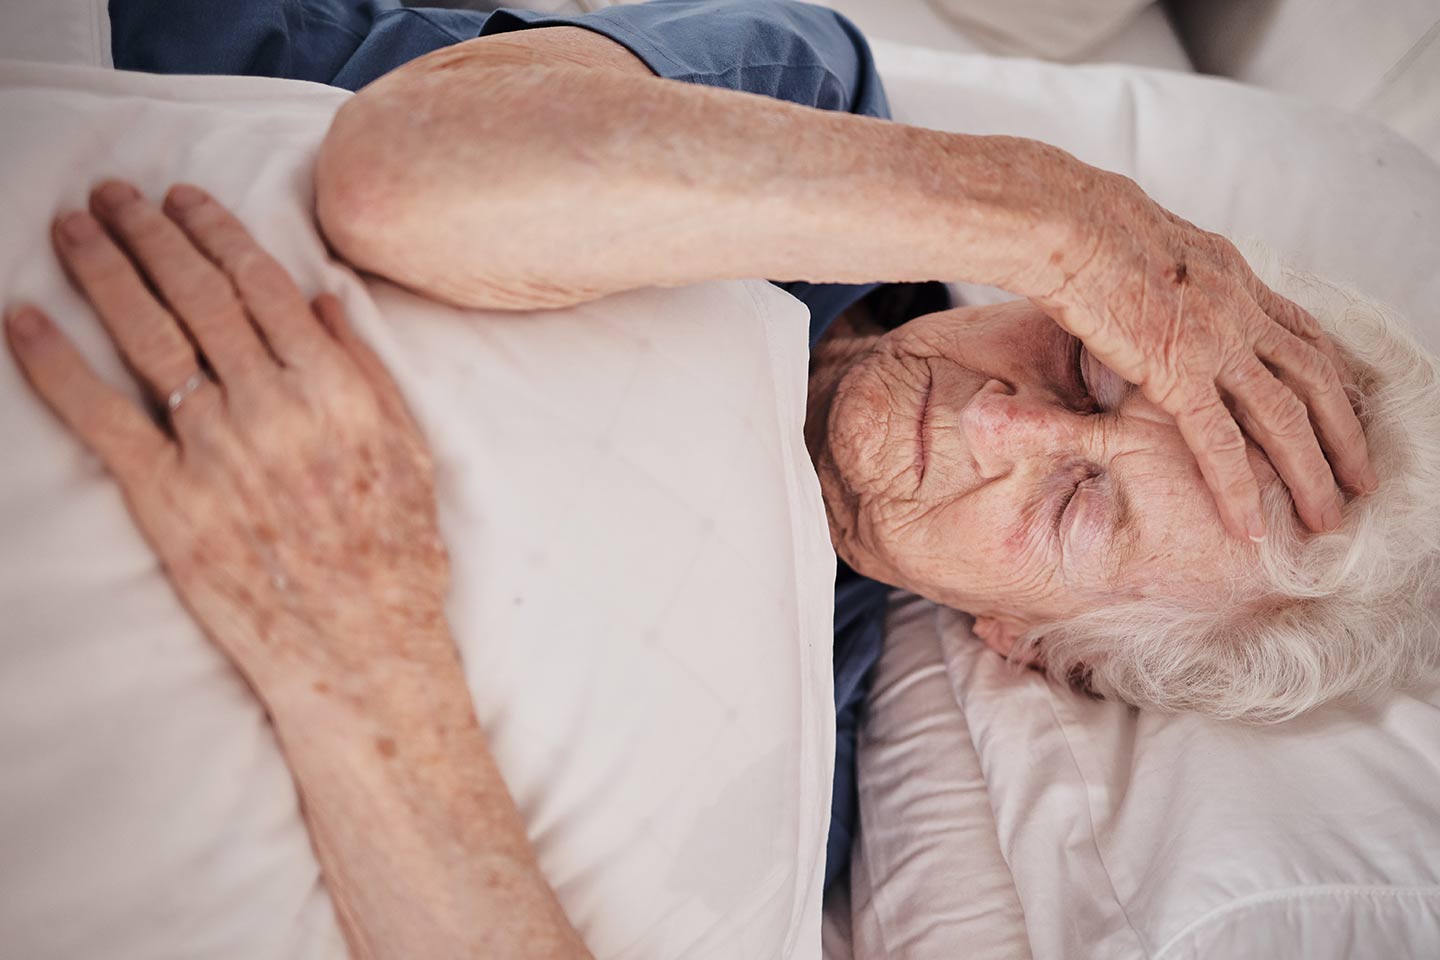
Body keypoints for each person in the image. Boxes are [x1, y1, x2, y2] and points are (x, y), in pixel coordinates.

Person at [8, 0, 1433, 955]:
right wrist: (1069, 219)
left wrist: (357, 658)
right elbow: (405, 180)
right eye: (1096, 371)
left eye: (1074, 507)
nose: (1007, 423)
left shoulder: (792, 757)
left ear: (1030, 649)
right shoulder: (829, 120)